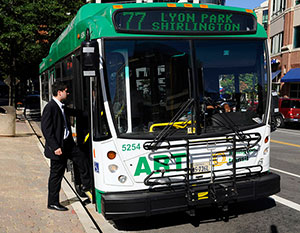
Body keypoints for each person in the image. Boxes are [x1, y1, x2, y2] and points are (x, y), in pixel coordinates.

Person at [41, 81, 91, 211]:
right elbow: (46, 129)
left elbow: (76, 112)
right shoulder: (50, 107)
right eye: (66, 91)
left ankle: (87, 185)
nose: (68, 93)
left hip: (68, 143)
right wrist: (55, 147)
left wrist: (93, 113)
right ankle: (52, 202)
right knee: (56, 175)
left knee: (82, 159)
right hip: (58, 147)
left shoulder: (62, 106)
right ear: (59, 92)